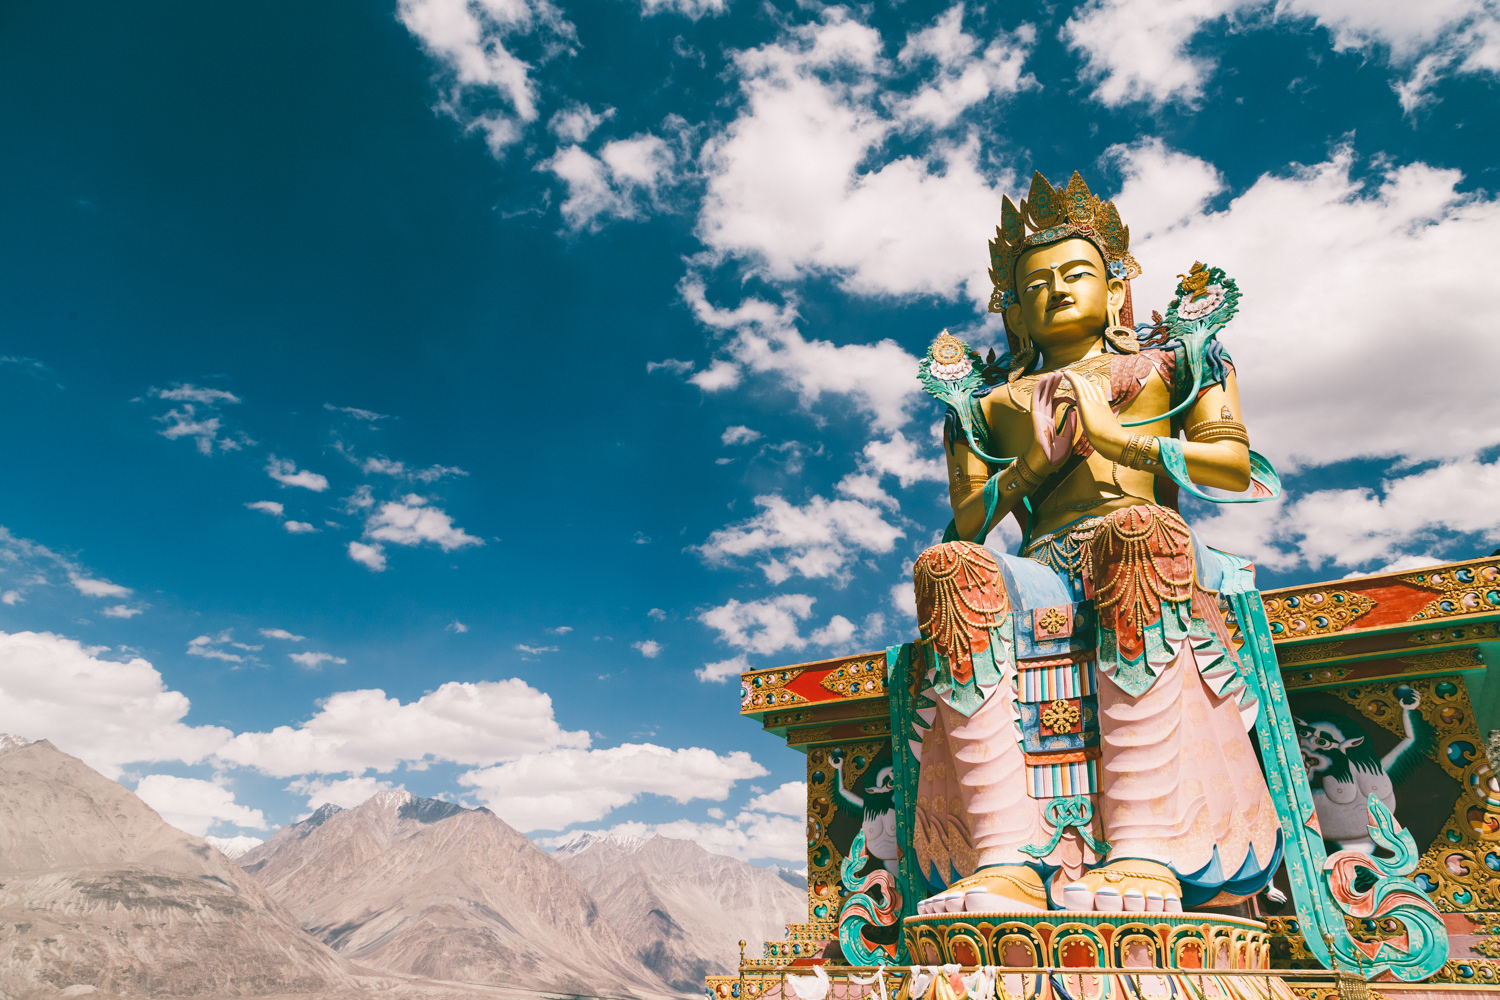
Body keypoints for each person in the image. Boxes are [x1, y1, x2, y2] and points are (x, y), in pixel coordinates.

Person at [909, 170, 1280, 914]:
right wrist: (1031, 468)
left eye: (1076, 273)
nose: (1055, 290)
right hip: (1040, 564)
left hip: (1147, 546)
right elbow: (967, 526)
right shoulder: (985, 405)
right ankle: (1004, 857)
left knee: (1134, 529)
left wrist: (1120, 442)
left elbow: (1234, 467)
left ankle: (1143, 846)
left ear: (1115, 290)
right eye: (1034, 284)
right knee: (945, 567)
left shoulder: (1179, 362)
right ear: (1015, 312)